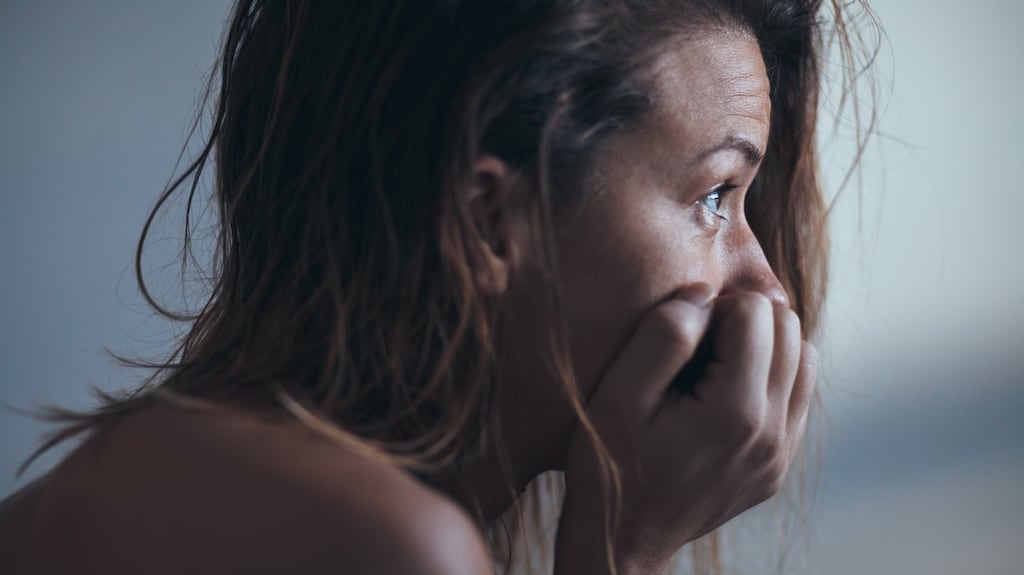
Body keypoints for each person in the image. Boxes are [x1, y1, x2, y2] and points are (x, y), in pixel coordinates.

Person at [0, 0, 870, 573]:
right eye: (715, 195)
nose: (768, 289)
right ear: (487, 215)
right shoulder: (391, 548)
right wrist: (622, 551)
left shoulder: (99, 483)